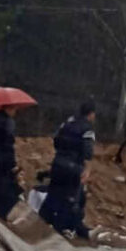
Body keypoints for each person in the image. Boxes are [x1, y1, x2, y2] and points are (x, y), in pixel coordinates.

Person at [40, 101, 98, 240]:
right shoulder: (87, 129)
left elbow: (56, 141)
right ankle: (67, 228)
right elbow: (88, 151)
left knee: (53, 195)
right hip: (73, 168)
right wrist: (86, 170)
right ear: (91, 114)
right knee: (74, 200)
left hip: (58, 164)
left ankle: (41, 222)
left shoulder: (67, 123)